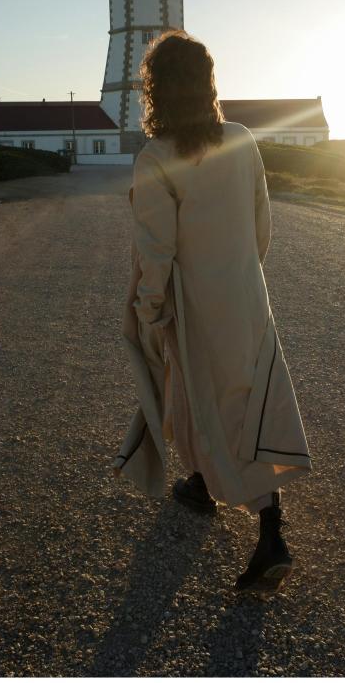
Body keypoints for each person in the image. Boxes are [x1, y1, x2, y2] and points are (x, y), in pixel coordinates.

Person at [114, 30, 313, 594]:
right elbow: (260, 225)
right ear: (206, 84)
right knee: (250, 397)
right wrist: (241, 274)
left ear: (156, 89)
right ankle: (204, 484)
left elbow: (156, 250)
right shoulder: (241, 140)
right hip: (246, 295)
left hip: (195, 305)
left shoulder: (156, 157)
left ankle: (271, 534)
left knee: (202, 396)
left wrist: (149, 310)